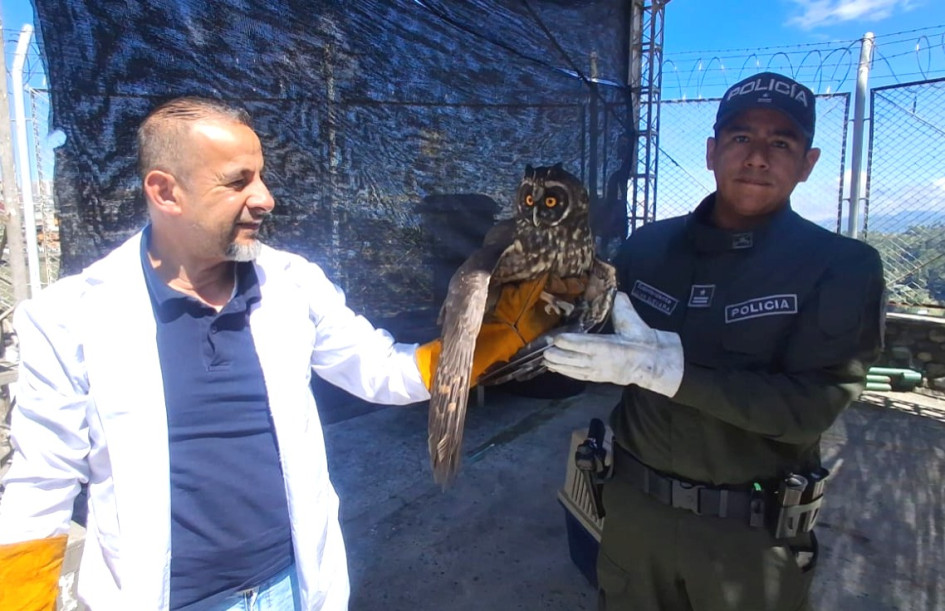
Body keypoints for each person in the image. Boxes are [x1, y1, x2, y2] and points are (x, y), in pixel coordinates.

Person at [0, 97, 562, 610]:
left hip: (292, 587)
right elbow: (41, 483)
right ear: (166, 192)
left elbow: (383, 373)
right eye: (238, 181)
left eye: (262, 176)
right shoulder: (70, 317)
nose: (265, 198)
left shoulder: (293, 284)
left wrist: (498, 336)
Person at [545, 72, 886, 610]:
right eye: (740, 136)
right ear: (711, 152)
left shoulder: (841, 266)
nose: (757, 157)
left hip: (747, 538)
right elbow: (588, 333)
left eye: (781, 143)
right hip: (635, 517)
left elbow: (810, 408)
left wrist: (673, 373)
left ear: (808, 163)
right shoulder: (647, 246)